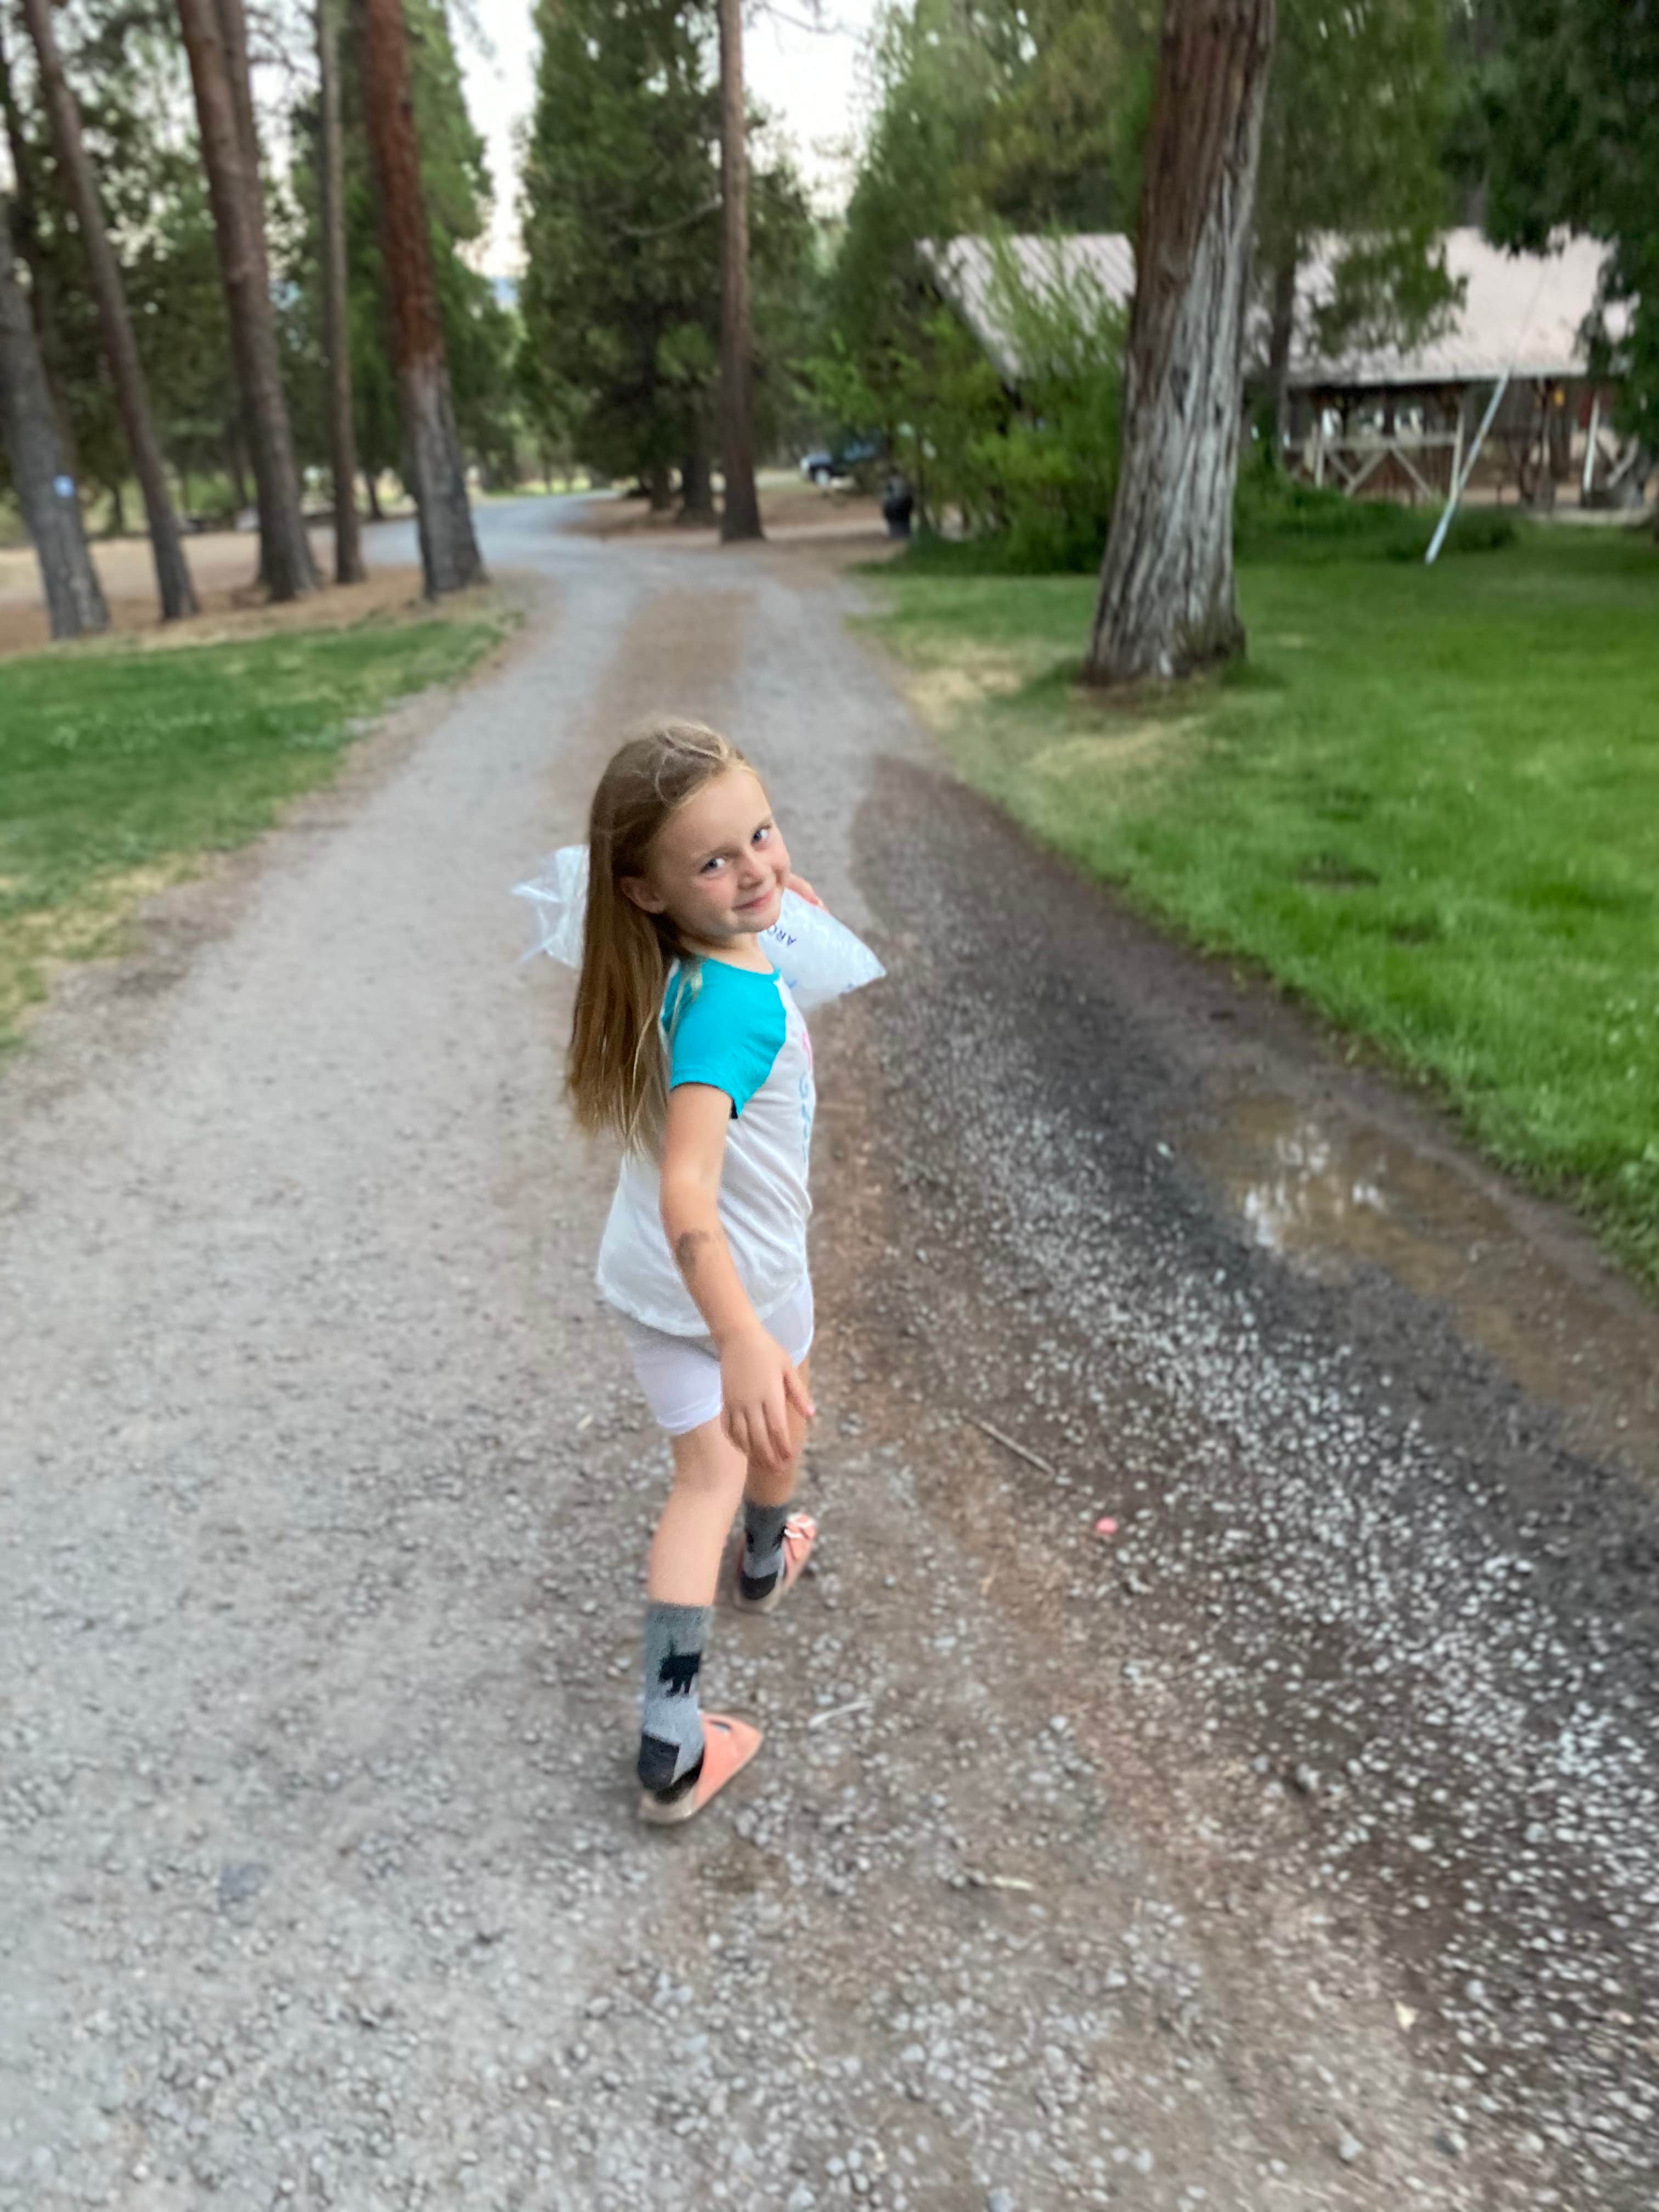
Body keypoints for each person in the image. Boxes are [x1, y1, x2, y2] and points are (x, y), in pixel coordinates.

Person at [567, 719, 824, 1824]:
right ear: (648, 890)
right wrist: (743, 1337)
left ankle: (671, 1740)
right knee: (775, 1419)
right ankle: (764, 1562)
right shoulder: (736, 1009)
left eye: (761, 835)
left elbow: (753, 905)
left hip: (649, 1283)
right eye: (717, 861)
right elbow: (689, 1194)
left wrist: (762, 895)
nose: (756, 870)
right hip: (737, 1278)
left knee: (699, 1480)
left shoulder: (654, 960)